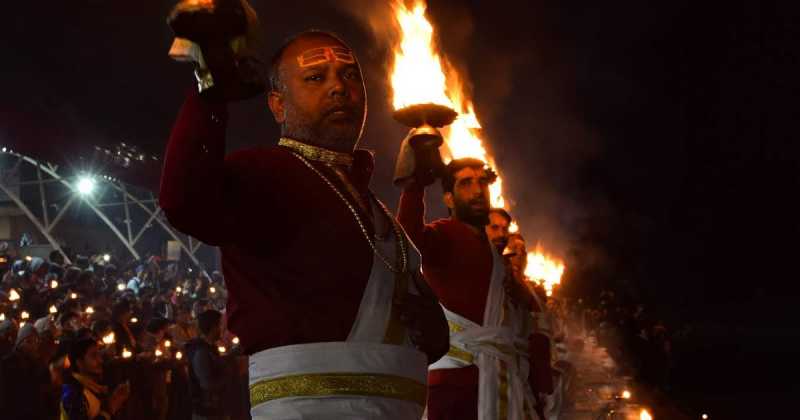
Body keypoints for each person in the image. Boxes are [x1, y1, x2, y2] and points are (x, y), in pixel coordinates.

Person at [160, 29, 448, 419]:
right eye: (316, 77)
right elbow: (185, 201)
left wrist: (412, 189)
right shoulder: (265, 172)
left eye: (350, 76)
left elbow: (387, 283)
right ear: (278, 105)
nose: (338, 88)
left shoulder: (370, 206)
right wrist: (209, 95)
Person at [397, 157, 538, 420]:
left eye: (482, 182)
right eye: (465, 183)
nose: (477, 190)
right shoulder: (443, 234)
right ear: (449, 199)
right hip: (452, 382)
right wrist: (413, 186)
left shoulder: (495, 254)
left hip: (501, 377)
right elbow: (407, 240)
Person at [59, 338, 130, 420]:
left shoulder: (94, 385)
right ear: (80, 363)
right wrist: (109, 409)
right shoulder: (72, 393)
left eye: (99, 355)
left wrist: (115, 398)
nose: (100, 361)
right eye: (93, 356)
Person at [186, 310, 230, 420]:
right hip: (207, 412)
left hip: (215, 409)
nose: (221, 328)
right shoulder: (202, 352)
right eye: (219, 324)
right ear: (213, 327)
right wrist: (228, 376)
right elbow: (207, 385)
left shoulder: (210, 348)